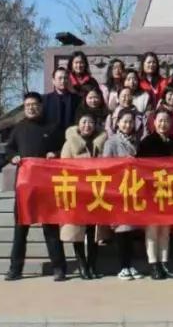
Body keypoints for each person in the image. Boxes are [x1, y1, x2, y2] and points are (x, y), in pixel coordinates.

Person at [5, 92, 66, 282]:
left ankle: (59, 267)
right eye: (28, 105)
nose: (31, 107)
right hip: (25, 188)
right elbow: (9, 148)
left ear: (41, 106)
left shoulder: (53, 126)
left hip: (47, 186)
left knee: (51, 229)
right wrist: (12, 157)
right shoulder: (18, 128)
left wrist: (55, 154)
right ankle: (15, 269)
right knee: (20, 229)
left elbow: (64, 148)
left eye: (35, 104)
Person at [59, 112, 107, 279]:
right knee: (77, 232)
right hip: (78, 192)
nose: (87, 125)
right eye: (84, 122)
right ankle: (82, 265)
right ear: (78, 125)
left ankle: (92, 265)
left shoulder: (102, 142)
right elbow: (64, 168)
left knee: (93, 232)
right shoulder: (69, 144)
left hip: (96, 192)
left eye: (91, 122)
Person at [138, 110, 173, 280]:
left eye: (166, 121)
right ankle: (153, 263)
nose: (163, 124)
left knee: (165, 229)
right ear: (154, 123)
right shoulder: (147, 142)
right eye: (160, 120)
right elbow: (140, 167)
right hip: (152, 191)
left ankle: (164, 262)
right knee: (152, 229)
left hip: (170, 190)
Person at [103, 109, 143, 279]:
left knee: (131, 230)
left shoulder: (137, 141)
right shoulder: (111, 142)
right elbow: (106, 166)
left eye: (130, 122)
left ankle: (131, 264)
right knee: (121, 230)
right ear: (117, 123)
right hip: (117, 190)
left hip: (133, 189)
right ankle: (122, 266)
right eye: (124, 121)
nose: (128, 125)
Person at [42, 68, 77, 137]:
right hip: (50, 139)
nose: (63, 81)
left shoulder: (77, 99)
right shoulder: (44, 100)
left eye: (65, 78)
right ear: (53, 81)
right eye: (60, 78)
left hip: (71, 140)